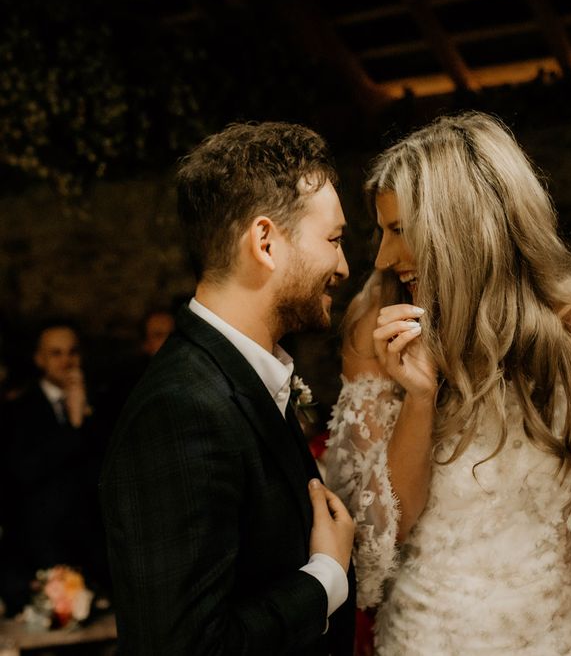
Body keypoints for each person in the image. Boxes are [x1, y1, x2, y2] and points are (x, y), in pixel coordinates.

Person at [325, 112, 571, 655]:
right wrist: (418, 398)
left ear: (458, 228)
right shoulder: (379, 322)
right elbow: (384, 536)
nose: (384, 257)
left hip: (551, 638)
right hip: (421, 636)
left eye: (397, 231)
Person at [99, 122, 356, 655]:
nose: (344, 266)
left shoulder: (240, 375)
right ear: (265, 242)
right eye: (333, 239)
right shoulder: (181, 408)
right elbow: (182, 647)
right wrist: (326, 578)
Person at [0, 320, 104, 614]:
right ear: (40, 359)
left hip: (93, 551)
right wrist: (72, 425)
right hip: (40, 551)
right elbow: (22, 473)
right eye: (56, 353)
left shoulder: (101, 403)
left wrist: (85, 414)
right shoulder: (16, 412)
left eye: (72, 352)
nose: (66, 361)